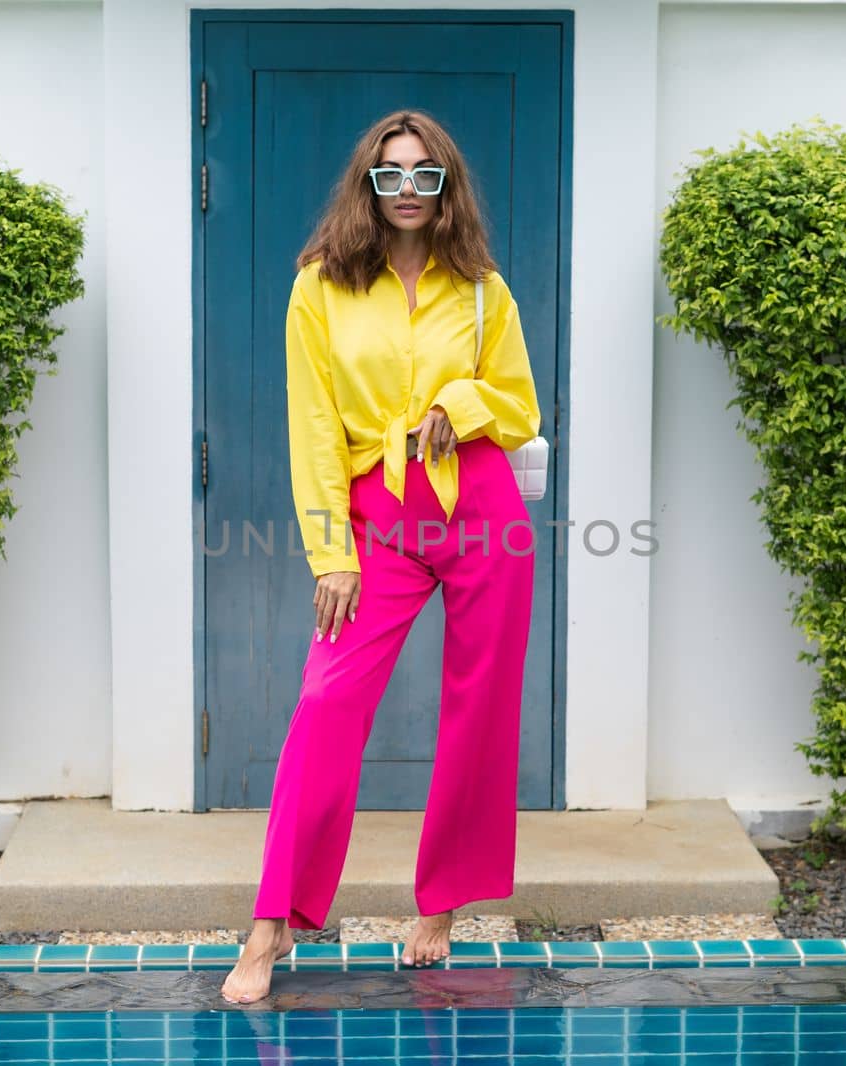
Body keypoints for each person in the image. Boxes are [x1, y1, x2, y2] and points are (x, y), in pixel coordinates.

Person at [221, 109, 542, 1004]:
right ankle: (270, 923)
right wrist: (332, 553)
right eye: (391, 175)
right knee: (326, 702)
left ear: (447, 189)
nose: (407, 191)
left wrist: (462, 404)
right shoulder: (319, 288)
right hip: (377, 513)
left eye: (425, 176)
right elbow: (314, 428)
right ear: (367, 184)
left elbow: (520, 406)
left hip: (478, 502)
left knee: (479, 709)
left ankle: (440, 905)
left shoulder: (483, 289)